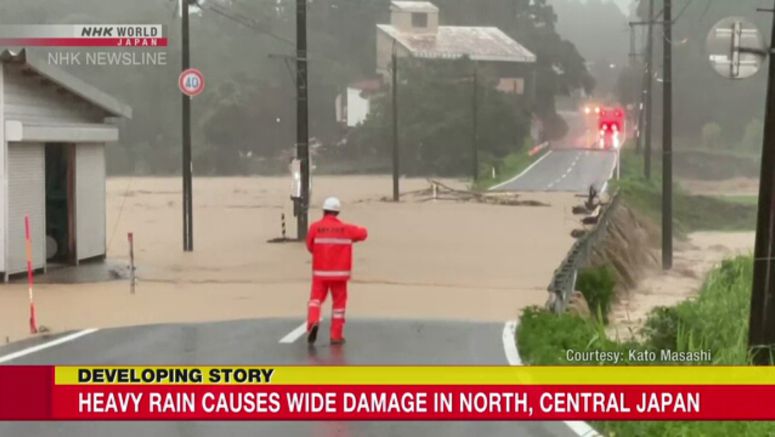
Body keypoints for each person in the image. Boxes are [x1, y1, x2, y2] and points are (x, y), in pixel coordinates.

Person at [306, 197, 368, 345]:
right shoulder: (346, 229)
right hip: (340, 274)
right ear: (338, 212)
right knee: (339, 305)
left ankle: (313, 321)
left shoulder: (315, 227)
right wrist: (353, 237)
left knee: (315, 300)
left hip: (320, 273)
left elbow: (309, 246)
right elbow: (363, 233)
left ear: (324, 211)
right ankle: (336, 336)